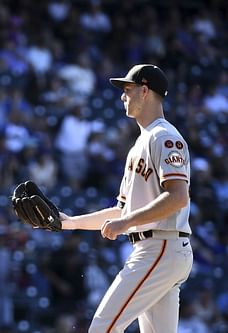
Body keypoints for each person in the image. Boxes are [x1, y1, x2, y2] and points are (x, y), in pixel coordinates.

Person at [61, 64, 193, 332]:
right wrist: (70, 222)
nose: (123, 95)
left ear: (145, 91)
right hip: (160, 249)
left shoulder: (164, 137)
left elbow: (178, 197)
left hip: (160, 247)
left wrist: (126, 222)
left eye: (127, 89)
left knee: (102, 328)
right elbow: (123, 211)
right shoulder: (140, 144)